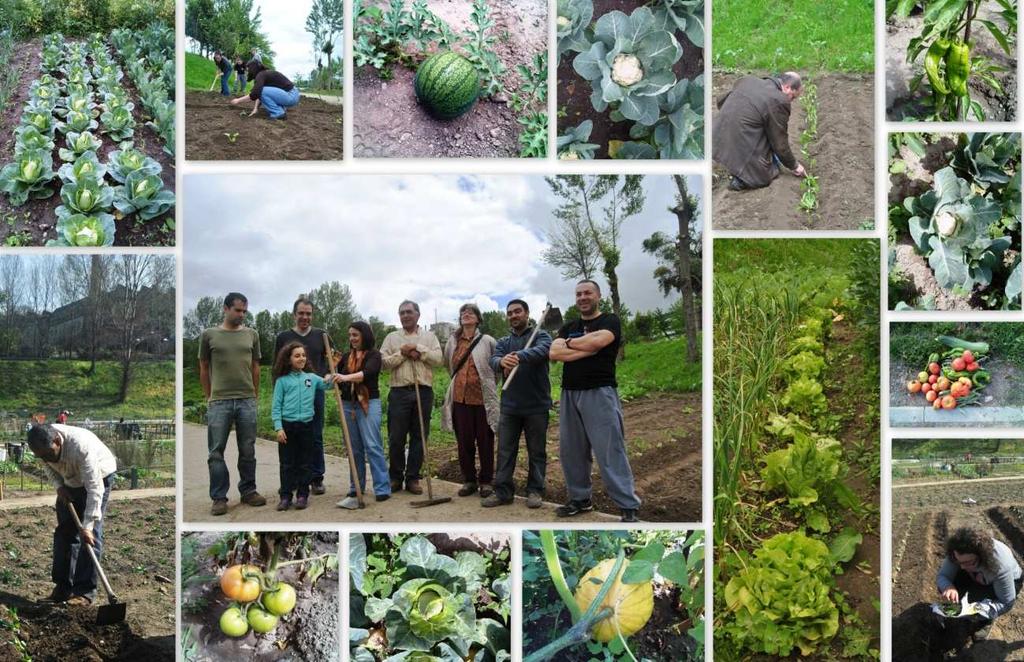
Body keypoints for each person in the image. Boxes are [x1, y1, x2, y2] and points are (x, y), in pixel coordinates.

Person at [549, 280, 641, 523]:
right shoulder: (569, 326)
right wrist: (585, 347)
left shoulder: (610, 321)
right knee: (571, 451)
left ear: (598, 296)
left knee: (610, 450)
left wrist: (573, 344)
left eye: (587, 292)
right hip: (569, 393)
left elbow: (600, 341)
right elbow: (554, 353)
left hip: (600, 392)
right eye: (578, 294)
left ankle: (627, 506)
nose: (582, 297)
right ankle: (580, 499)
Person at [29, 423, 116, 606]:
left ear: (57, 440)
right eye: (41, 456)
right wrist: (59, 487)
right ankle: (63, 589)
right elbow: (49, 467)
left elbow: (94, 488)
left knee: (90, 537)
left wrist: (88, 526)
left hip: (98, 477)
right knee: (64, 534)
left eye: (48, 454)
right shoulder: (44, 447)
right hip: (69, 481)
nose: (45, 459)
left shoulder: (81, 448)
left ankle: (84, 592)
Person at [200, 292, 266, 516]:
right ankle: (219, 497)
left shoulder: (252, 334)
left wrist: (254, 394)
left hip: (246, 399)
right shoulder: (209, 335)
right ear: (226, 309)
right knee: (216, 452)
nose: (242, 315)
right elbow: (203, 367)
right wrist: (209, 396)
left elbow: (256, 366)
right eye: (238, 310)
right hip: (219, 401)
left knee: (247, 448)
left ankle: (249, 490)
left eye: (245, 311)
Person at [483, 299, 551, 509]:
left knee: (537, 451)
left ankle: (535, 491)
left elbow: (543, 351)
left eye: (517, 312)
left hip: (536, 406)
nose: (513, 316)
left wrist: (518, 356)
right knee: (505, 451)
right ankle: (503, 492)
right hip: (510, 407)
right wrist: (501, 362)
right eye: (510, 313)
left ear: (527, 313)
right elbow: (493, 359)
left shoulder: (541, 335)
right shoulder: (504, 342)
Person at [380, 300, 442, 494]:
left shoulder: (429, 337)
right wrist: (403, 352)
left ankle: (413, 478)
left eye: (409, 312)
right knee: (396, 437)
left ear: (418, 314)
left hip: (423, 391)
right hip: (399, 391)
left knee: (419, 436)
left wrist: (419, 351)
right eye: (401, 313)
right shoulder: (391, 337)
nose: (405, 315)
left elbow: (439, 360)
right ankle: (396, 477)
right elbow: (382, 363)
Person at [274, 296, 332, 495]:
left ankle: (316, 478)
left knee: (315, 436)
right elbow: (278, 365)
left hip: (315, 391)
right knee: (290, 438)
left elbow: (331, 359)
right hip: (291, 392)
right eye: (301, 313)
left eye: (308, 314)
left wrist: (327, 374)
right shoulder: (283, 337)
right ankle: (292, 480)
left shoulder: (321, 335)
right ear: (294, 314)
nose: (305, 317)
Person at [712, 71, 807, 191]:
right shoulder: (779, 100)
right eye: (793, 96)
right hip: (738, 139)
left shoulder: (747, 80)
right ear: (787, 87)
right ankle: (741, 180)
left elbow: (721, 101)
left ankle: (726, 158)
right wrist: (794, 165)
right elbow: (779, 142)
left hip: (715, 136)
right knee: (765, 172)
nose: (791, 101)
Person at [270, 341, 336, 511]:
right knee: (287, 464)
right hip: (287, 427)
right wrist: (278, 427)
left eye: (303, 355)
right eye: (297, 355)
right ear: (288, 359)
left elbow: (328, 384)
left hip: (306, 426)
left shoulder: (311, 378)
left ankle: (302, 495)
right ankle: (285, 497)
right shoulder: (282, 381)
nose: (301, 358)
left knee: (305, 463)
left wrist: (330, 374)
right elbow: (276, 406)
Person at [441, 304, 499, 499]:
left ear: (478, 319)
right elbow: (449, 365)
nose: (466, 315)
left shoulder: (488, 341)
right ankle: (469, 480)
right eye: (463, 313)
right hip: (460, 398)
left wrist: (487, 384)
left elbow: (496, 367)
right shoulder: (453, 341)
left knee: (485, 441)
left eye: (470, 313)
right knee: (464, 442)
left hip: (482, 399)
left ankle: (486, 481)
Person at [335, 321, 391, 509]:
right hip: (347, 404)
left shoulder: (374, 355)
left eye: (355, 335)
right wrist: (331, 378)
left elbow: (366, 374)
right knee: (354, 448)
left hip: (368, 404)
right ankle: (355, 487)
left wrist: (345, 377)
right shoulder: (345, 357)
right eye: (350, 335)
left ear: (365, 336)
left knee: (372, 445)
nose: (352, 339)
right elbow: (336, 375)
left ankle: (382, 488)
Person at [937, 527, 1023, 640]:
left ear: (981, 557)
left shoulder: (1000, 566)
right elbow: (943, 576)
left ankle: (986, 621)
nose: (962, 567)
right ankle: (961, 609)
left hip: (1007, 581)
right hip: (977, 574)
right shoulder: (958, 551)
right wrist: (948, 587)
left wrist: (982, 609)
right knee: (949, 587)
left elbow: (1006, 602)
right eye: (958, 561)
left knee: (976, 602)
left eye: (968, 562)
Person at [230, 61, 299, 120]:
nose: (247, 72)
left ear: (253, 69)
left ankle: (278, 113)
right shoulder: (264, 74)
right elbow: (259, 95)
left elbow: (256, 93)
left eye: (248, 70)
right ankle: (280, 110)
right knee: (262, 91)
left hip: (291, 95)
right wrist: (255, 109)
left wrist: (238, 100)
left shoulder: (261, 75)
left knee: (261, 91)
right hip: (292, 95)